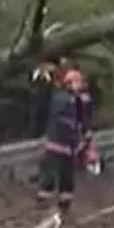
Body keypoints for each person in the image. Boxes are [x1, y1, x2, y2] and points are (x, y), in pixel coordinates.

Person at [36, 67, 87, 213]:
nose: (80, 85)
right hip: (56, 146)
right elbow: (59, 119)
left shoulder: (76, 101)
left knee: (68, 181)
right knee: (49, 179)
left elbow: (79, 122)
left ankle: (64, 211)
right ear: (69, 83)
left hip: (69, 148)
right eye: (77, 82)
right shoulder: (60, 98)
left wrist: (80, 141)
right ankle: (42, 209)